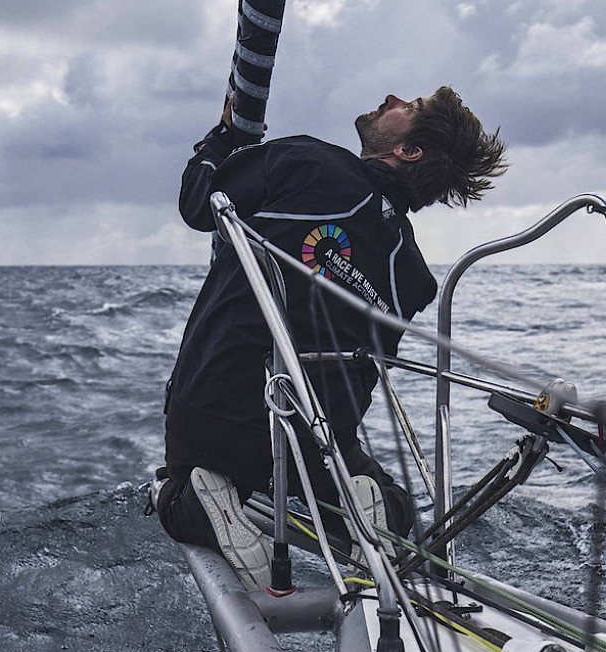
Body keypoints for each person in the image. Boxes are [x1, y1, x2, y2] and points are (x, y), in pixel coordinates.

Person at [155, 86, 507, 590]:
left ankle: (199, 496)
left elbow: (197, 202)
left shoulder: (311, 162)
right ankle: (373, 507)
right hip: (313, 437)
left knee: (170, 492)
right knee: (393, 500)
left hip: (213, 407)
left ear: (407, 151)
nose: (391, 98)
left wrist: (225, 137)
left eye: (407, 108)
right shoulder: (411, 277)